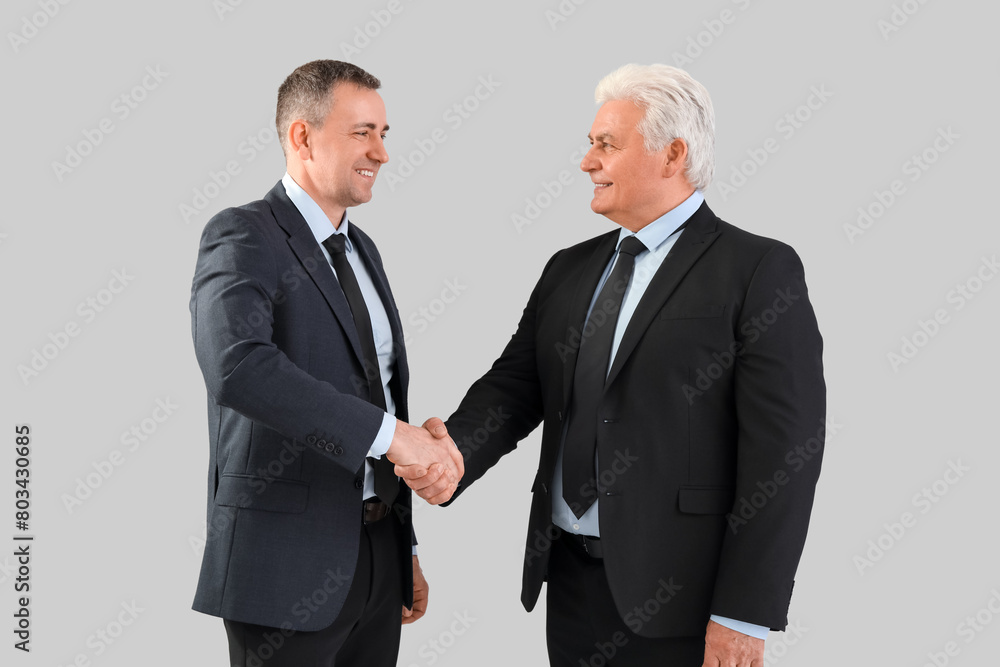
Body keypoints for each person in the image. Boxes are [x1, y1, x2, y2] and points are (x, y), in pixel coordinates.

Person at [402, 63, 826, 666]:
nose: (586, 162)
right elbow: (515, 387)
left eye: (606, 144)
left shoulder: (757, 270)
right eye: (590, 143)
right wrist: (453, 456)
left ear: (672, 154)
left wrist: (743, 613)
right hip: (570, 582)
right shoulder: (569, 268)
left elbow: (786, 453)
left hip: (686, 599)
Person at [189, 59, 463, 667]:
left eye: (384, 134)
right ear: (302, 136)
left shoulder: (363, 249)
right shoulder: (243, 235)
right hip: (284, 568)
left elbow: (380, 393)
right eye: (362, 132)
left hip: (374, 559)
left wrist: (402, 545)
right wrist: (397, 440)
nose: (382, 153)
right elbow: (238, 367)